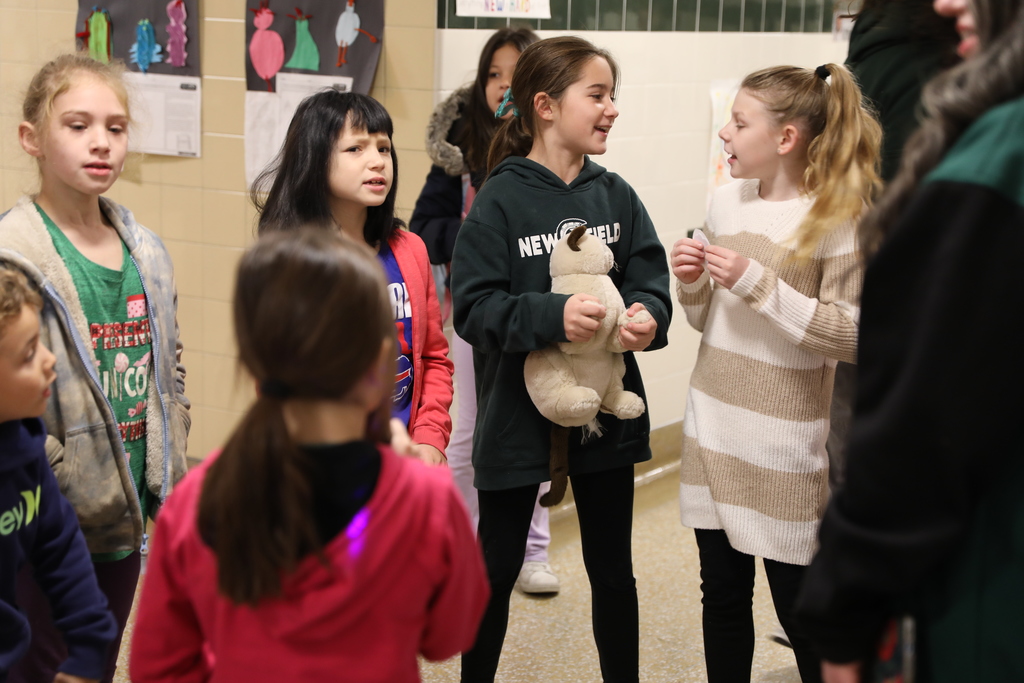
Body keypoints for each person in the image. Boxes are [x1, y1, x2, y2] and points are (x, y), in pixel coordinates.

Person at [128, 228, 490, 682]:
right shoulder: (426, 499)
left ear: (255, 361)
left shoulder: (196, 502)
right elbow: (448, 635)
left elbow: (159, 668)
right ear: (381, 362)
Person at [796, 0, 1024, 681]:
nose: (950, 3)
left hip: (985, 598)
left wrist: (843, 612)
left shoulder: (997, 161)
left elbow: (922, 430)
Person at [451, 36, 672, 682]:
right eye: (596, 96)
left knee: (613, 572)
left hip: (605, 420)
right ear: (545, 106)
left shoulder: (616, 197)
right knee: (493, 574)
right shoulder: (500, 199)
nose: (611, 109)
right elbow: (474, 308)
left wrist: (645, 315)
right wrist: (551, 316)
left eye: (612, 96)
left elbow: (648, 277)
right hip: (516, 423)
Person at [671, 63, 881, 683]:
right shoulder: (725, 200)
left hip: (783, 450)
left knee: (802, 611)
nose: (725, 135)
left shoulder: (838, 216)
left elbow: (852, 336)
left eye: (739, 123)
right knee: (723, 598)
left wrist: (758, 283)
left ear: (786, 138)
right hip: (712, 430)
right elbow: (706, 319)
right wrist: (691, 283)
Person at [0, 53, 190, 683]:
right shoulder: (14, 255)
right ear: (32, 138)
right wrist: (50, 474)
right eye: (78, 125)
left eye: (115, 127)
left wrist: (171, 450)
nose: (101, 143)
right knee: (36, 664)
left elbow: (171, 365)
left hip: (125, 513)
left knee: (97, 658)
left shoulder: (147, 249)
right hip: (40, 521)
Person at [410, 27, 559, 595]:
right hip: (476, 316)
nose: (502, 86)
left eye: (515, 73)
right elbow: (424, 228)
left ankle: (533, 552)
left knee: (540, 427)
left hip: (541, 316)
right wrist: (478, 232)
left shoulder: (551, 152)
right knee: (467, 435)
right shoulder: (460, 151)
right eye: (493, 74)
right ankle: (454, 548)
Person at [253, 90, 453, 466]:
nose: (377, 161)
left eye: (383, 148)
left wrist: (430, 438)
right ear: (314, 160)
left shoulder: (410, 250)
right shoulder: (293, 262)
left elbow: (434, 358)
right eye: (356, 149)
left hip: (407, 462)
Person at [0, 267, 117, 683]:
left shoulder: (25, 448)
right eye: (29, 353)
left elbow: (60, 545)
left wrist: (88, 645)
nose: (50, 361)